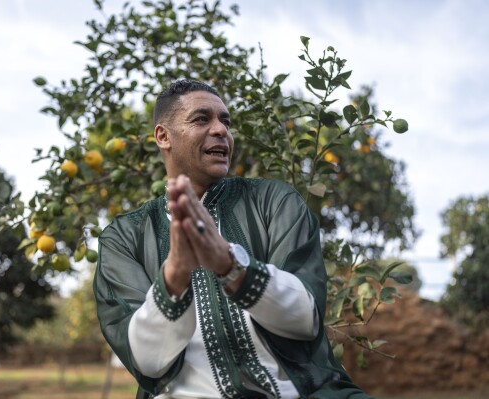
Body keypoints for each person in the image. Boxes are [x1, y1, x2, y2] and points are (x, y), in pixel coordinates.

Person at [94, 79, 372, 399]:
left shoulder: (274, 201)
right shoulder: (124, 236)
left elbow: (305, 318)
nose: (221, 130)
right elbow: (147, 362)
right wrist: (174, 277)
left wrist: (232, 266)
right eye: (202, 119)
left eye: (225, 121)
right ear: (163, 136)